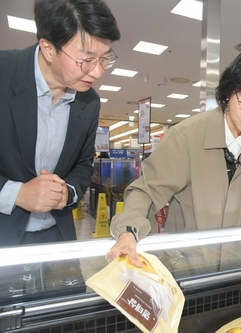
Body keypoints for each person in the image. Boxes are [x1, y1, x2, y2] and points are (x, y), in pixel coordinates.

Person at [107, 46, 241, 294]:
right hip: (183, 271)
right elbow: (147, 191)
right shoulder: (185, 137)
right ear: (230, 91)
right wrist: (128, 232)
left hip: (235, 269)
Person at [0, 0, 121, 246]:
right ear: (47, 48)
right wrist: (16, 193)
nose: (97, 72)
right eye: (86, 60)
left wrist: (68, 193)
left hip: (57, 236)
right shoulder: (4, 74)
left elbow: (83, 164)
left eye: (105, 58)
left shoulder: (89, 101)